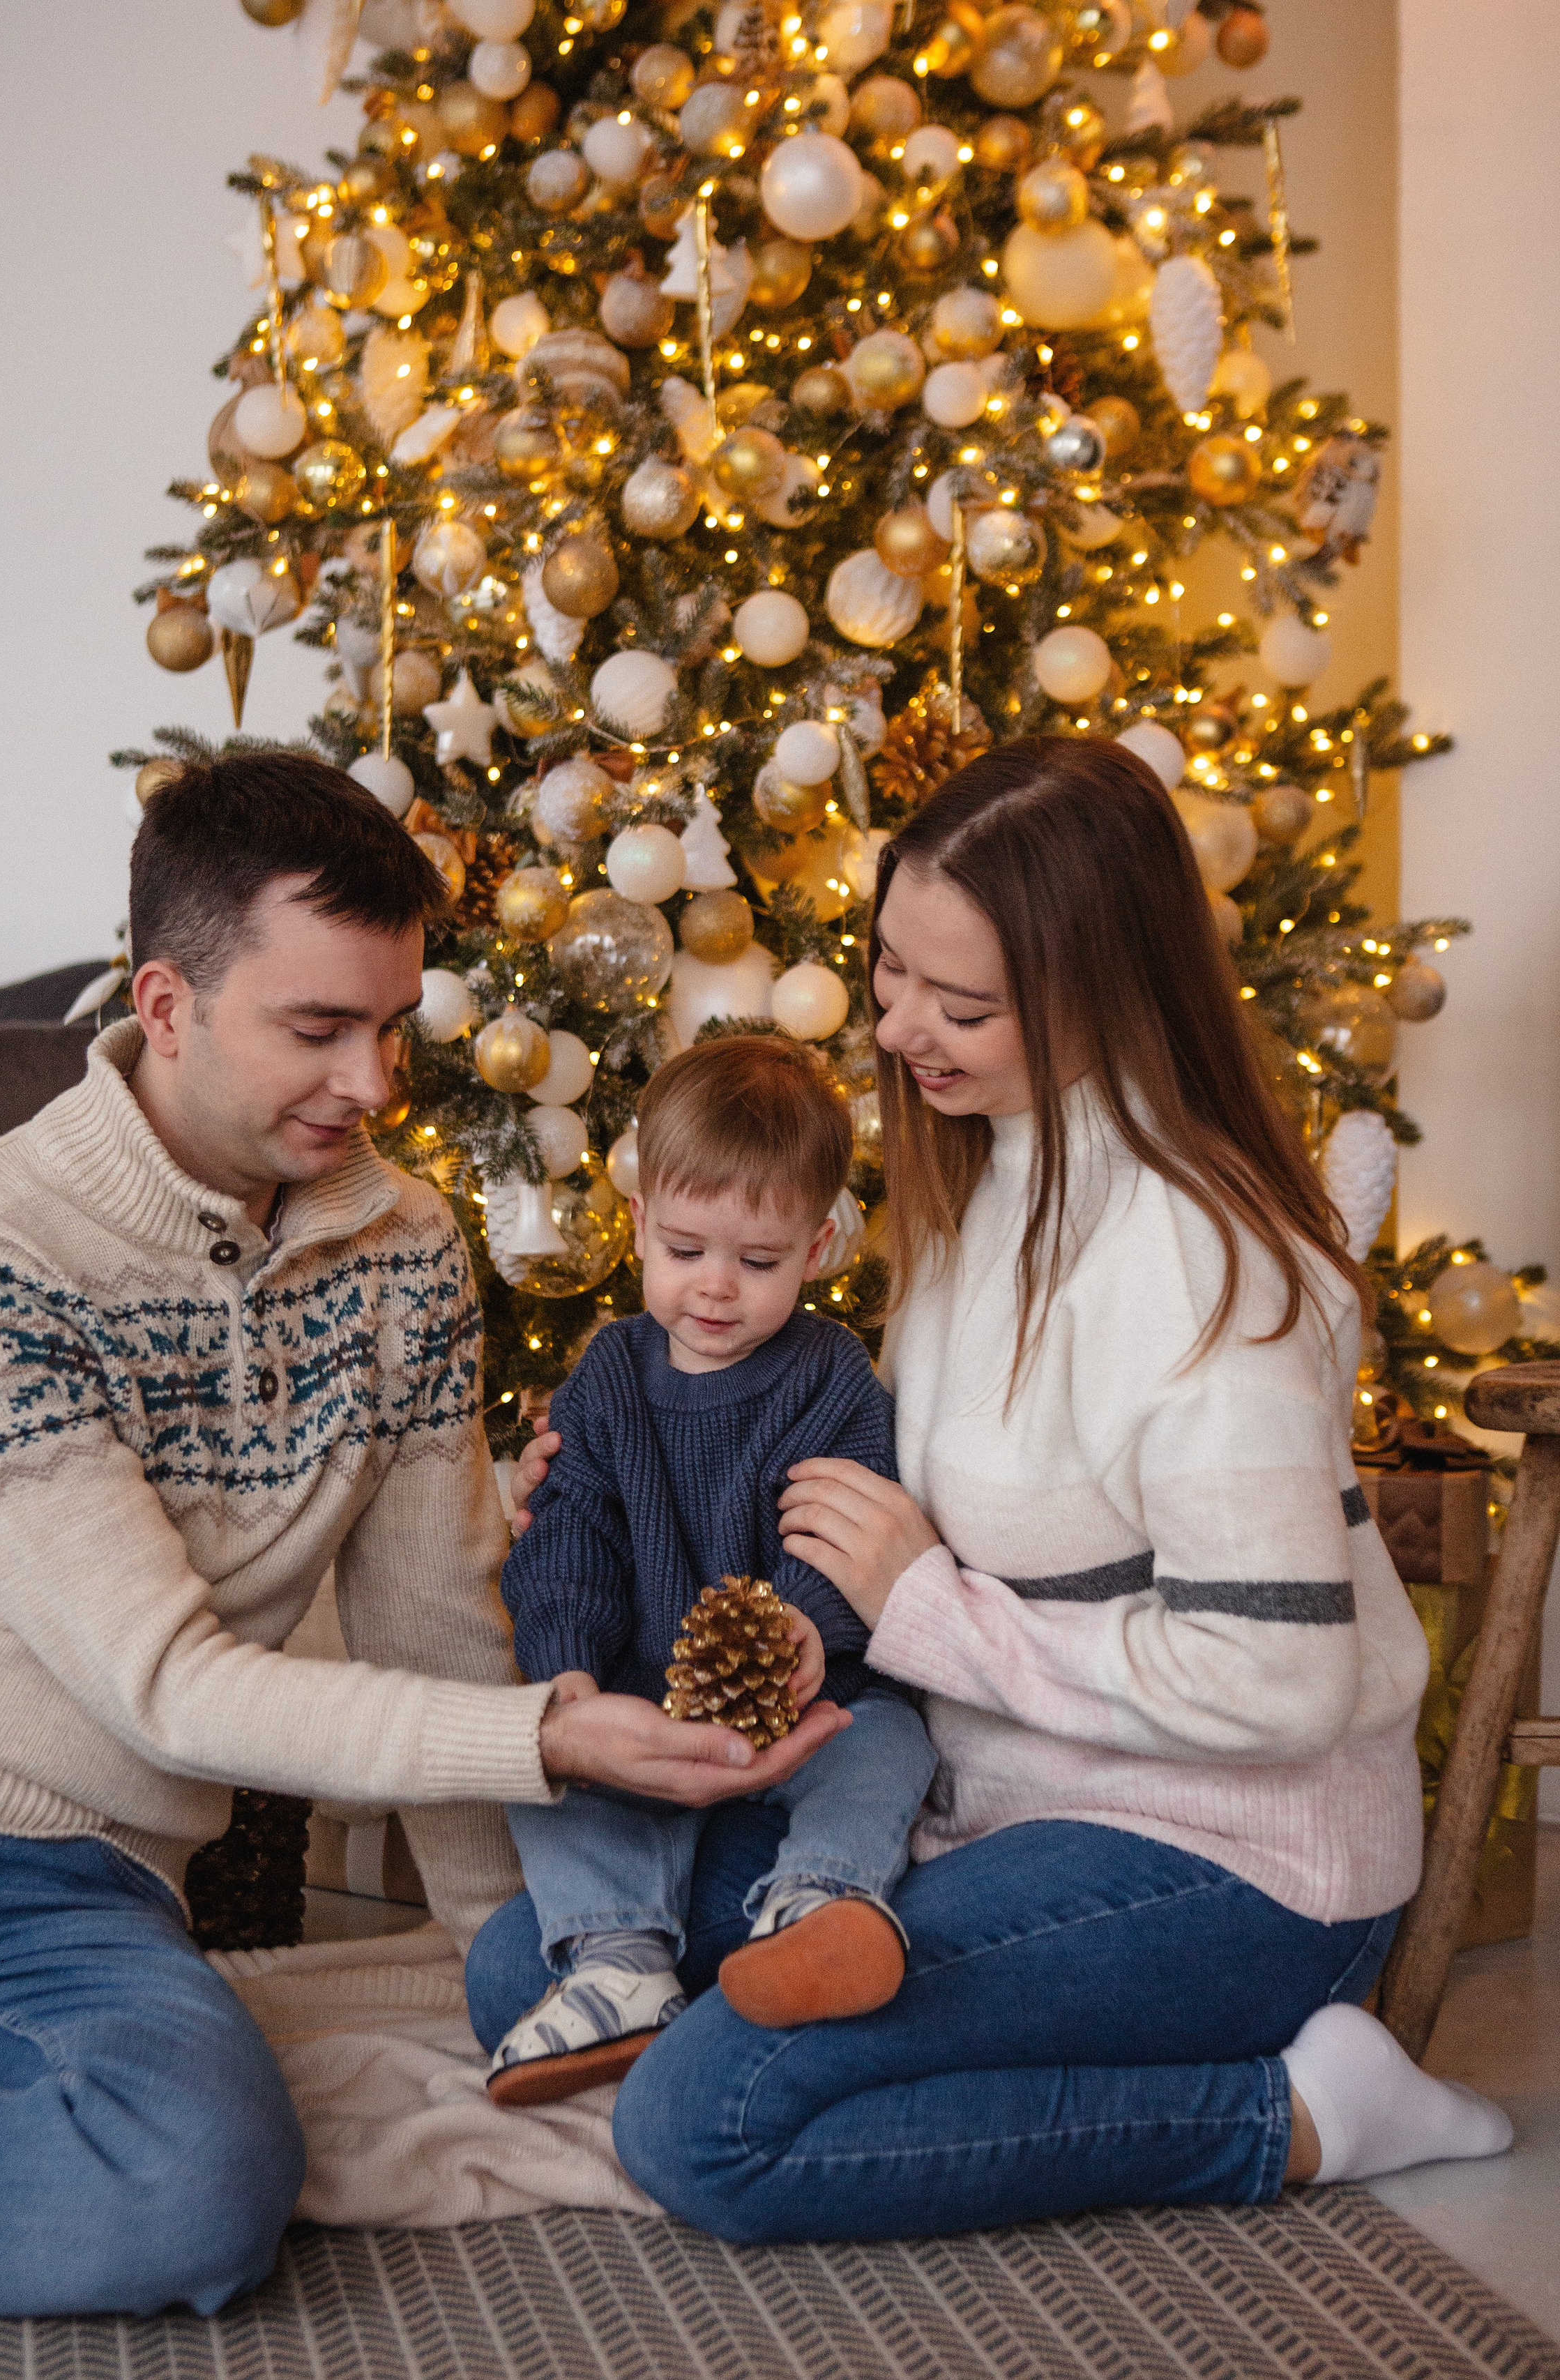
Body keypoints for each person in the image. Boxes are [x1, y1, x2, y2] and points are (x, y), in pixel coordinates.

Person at [0, 754, 841, 2317]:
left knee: (194, 2193)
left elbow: (436, 1616)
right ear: (165, 1001)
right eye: (318, 1028)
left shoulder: (403, 1253)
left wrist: (520, 1969)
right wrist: (548, 1737)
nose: (375, 1081)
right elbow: (170, 1687)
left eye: (393, 1025)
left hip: (73, 1895)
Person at [487, 737, 1513, 2241]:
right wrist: (609, 1478)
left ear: (1103, 994)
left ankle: (1299, 2110)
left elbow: (1279, 1679)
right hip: (984, 1806)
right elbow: (869, 1491)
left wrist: (922, 1610)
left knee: (702, 2123)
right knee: (531, 1965)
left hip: (1226, 1856)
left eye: (956, 1005)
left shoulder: (1207, 1277)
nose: (897, 1026)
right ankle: (991, 2025)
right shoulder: (985, 1180)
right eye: (888, 970)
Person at [477, 1038, 937, 2107]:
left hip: (803, 1698)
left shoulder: (831, 1380)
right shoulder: (606, 1378)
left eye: (759, 1261)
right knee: (546, 1759)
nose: (716, 1288)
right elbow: (568, 1535)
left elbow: (840, 1528)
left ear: (819, 1245)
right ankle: (619, 1960)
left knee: (890, 1742)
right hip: (644, 1705)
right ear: (637, 1223)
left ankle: (819, 1907)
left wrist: (808, 1629)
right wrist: (571, 1671)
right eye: (685, 1250)